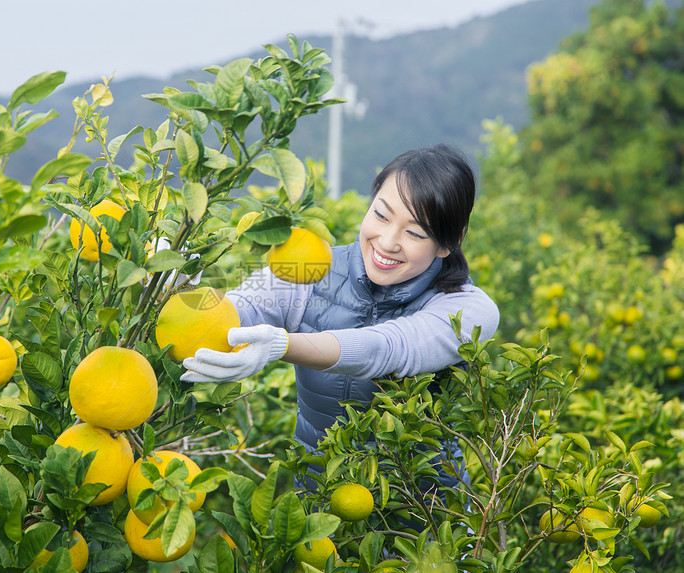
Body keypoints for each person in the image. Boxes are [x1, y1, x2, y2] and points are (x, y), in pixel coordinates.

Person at [180, 144, 499, 485]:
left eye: (414, 232)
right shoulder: (310, 269)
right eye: (381, 215)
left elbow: (387, 348)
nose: (388, 241)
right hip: (319, 498)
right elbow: (242, 311)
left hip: (424, 514)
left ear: (449, 243)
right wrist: (180, 290)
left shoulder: (469, 309)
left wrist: (281, 345)